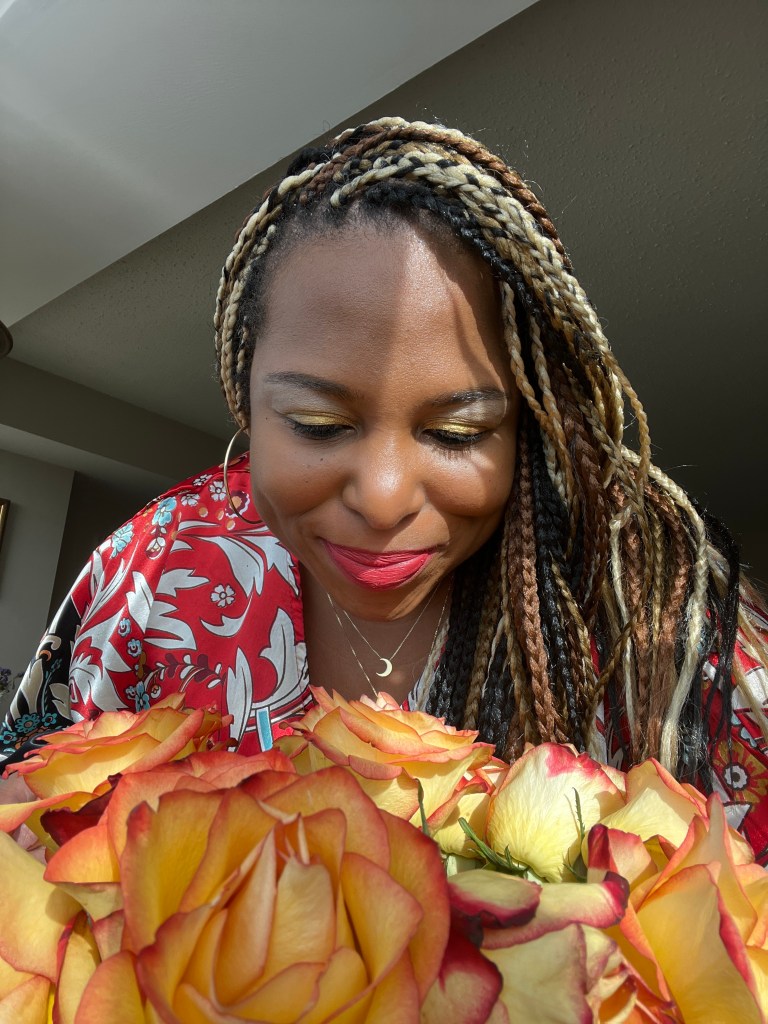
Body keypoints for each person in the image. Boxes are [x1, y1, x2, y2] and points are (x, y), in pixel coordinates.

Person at [2, 117, 767, 862]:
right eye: (317, 424)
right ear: (246, 399)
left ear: (528, 424)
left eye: (458, 432)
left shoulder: (655, 621)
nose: (384, 497)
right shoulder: (153, 574)